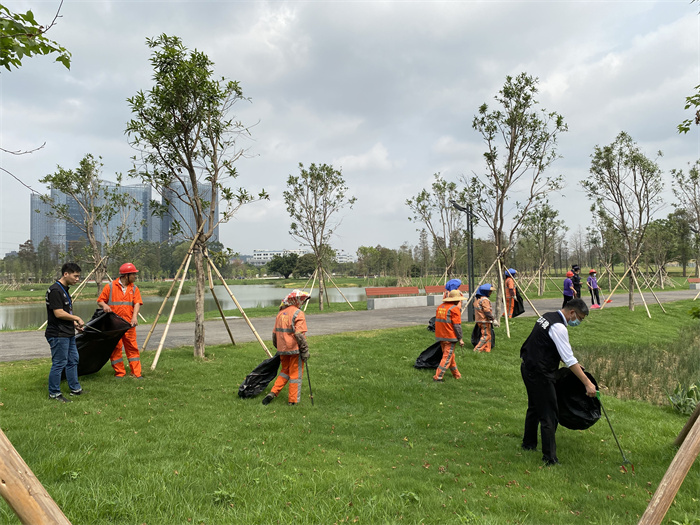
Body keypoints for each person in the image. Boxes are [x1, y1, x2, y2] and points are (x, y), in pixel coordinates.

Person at [520, 298, 597, 465]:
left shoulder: (548, 317)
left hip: (528, 366)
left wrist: (575, 364)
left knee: (534, 407)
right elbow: (569, 359)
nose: (579, 321)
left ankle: (528, 444)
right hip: (540, 373)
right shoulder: (559, 327)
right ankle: (550, 458)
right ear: (572, 313)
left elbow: (551, 347)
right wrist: (587, 383)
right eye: (580, 318)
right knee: (549, 414)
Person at [263, 290, 311, 406]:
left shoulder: (280, 313)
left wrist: (278, 347)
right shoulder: (298, 313)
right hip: (294, 349)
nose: (303, 302)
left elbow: (274, 334)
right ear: (297, 300)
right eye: (302, 300)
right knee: (295, 375)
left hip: (282, 349)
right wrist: (304, 350)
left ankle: (273, 392)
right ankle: (293, 400)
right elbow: (299, 334)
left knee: (285, 371)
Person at [46, 262, 85, 402]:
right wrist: (77, 318)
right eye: (75, 276)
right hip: (57, 334)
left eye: (79, 277)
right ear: (65, 274)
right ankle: (54, 393)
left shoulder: (64, 289)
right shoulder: (56, 290)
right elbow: (58, 313)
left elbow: (65, 312)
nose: (77, 279)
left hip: (67, 332)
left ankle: (75, 388)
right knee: (59, 362)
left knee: (73, 360)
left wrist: (74, 324)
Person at [97, 262, 144, 378]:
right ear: (126, 275)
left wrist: (134, 317)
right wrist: (105, 306)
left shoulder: (134, 288)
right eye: (133, 274)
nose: (135, 276)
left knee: (132, 347)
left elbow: (137, 303)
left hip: (129, 324)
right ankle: (120, 373)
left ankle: (136, 373)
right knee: (116, 348)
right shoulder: (110, 286)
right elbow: (100, 301)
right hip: (114, 325)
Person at [433, 289, 467, 382]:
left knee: (450, 356)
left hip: (441, 336)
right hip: (450, 336)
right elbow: (457, 326)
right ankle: (438, 377)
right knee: (447, 358)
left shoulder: (441, 307)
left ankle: (457, 375)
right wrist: (460, 338)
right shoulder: (454, 309)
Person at [473, 284, 495, 353]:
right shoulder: (484, 300)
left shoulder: (477, 299)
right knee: (486, 335)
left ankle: (487, 349)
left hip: (479, 320)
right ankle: (477, 349)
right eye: (489, 291)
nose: (490, 293)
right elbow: (487, 312)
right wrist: (493, 320)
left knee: (488, 335)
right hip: (484, 321)